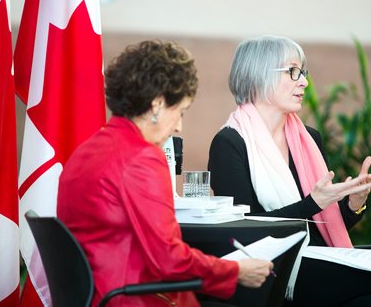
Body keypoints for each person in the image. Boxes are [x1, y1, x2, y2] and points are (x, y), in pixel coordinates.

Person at [208, 35, 371, 307]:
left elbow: (324, 228)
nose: (304, 82)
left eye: (303, 72)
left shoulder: (308, 139)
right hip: (271, 271)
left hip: (317, 259)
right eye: (293, 72)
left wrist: (352, 206)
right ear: (259, 76)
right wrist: (312, 203)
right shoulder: (230, 143)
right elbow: (244, 230)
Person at [57, 40, 273, 307]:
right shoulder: (142, 158)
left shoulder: (86, 151)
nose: (179, 127)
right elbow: (169, 260)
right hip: (134, 297)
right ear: (158, 104)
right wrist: (236, 271)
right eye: (180, 112)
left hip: (96, 295)